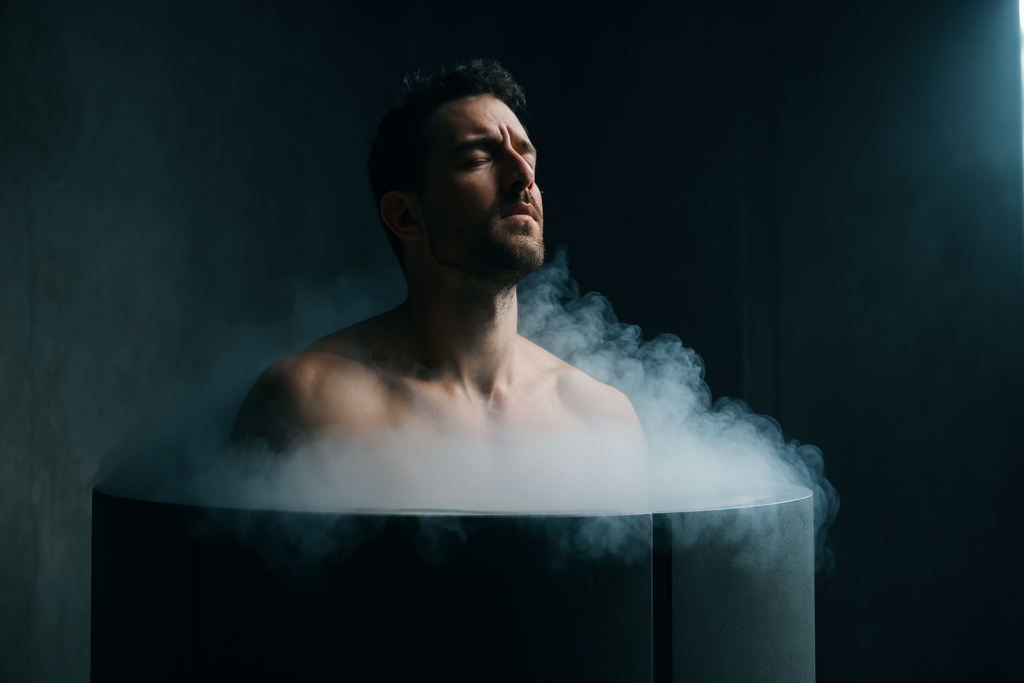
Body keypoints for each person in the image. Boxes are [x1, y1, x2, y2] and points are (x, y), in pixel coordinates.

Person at [232, 60, 645, 458]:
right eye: (478, 159)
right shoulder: (309, 405)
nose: (524, 175)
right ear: (407, 216)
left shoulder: (602, 419)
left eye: (527, 154)